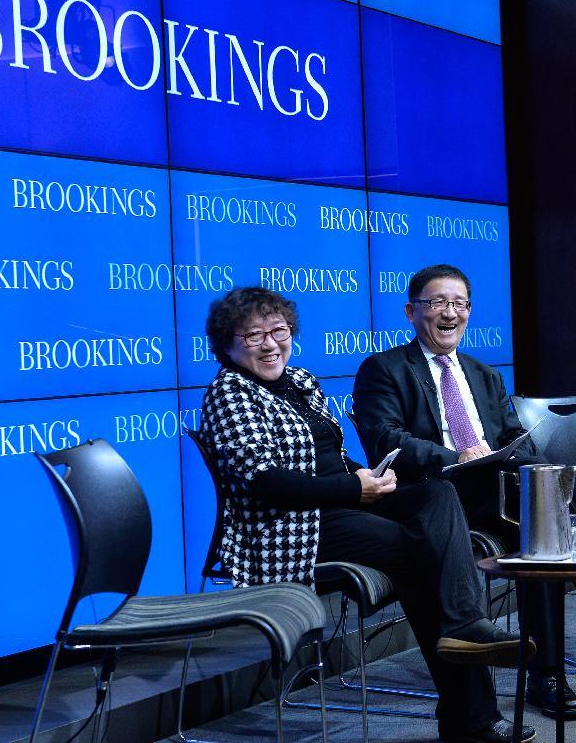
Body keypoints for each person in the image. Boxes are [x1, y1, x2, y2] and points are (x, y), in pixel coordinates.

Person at [352, 264, 576, 722]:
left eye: (460, 304)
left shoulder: (484, 374)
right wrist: (453, 454)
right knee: (540, 519)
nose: (450, 313)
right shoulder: (384, 368)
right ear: (411, 311)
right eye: (438, 302)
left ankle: (550, 674)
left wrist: (514, 457)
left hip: (493, 489)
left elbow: (517, 433)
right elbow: (386, 439)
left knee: (540, 510)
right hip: (433, 496)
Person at [199, 286, 538, 743]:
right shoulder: (229, 393)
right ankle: (471, 710)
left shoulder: (299, 381)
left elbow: (333, 458)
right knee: (425, 556)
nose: (270, 343)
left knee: (435, 492)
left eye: (278, 331)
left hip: (339, 503)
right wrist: (352, 488)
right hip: (291, 524)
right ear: (227, 344)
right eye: (253, 335)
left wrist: (371, 478)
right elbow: (265, 482)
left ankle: (465, 632)